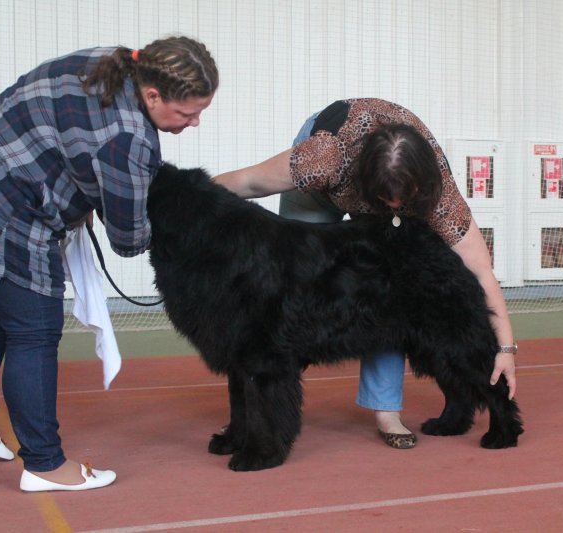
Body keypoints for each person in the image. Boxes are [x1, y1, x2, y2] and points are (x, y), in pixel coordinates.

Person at [0, 36, 218, 491]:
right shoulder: (129, 139)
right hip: (5, 213)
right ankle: (44, 465)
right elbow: (128, 238)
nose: (195, 122)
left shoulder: (107, 63)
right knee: (34, 332)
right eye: (186, 113)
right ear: (154, 94)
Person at [213, 98, 517, 449]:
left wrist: (505, 347)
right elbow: (249, 183)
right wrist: (197, 198)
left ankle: (386, 410)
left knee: (386, 296)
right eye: (385, 198)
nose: (392, 207)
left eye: (401, 200)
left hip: (386, 171)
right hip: (329, 160)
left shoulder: (440, 196)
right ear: (367, 186)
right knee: (297, 289)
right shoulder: (320, 160)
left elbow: (480, 270)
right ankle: (267, 401)